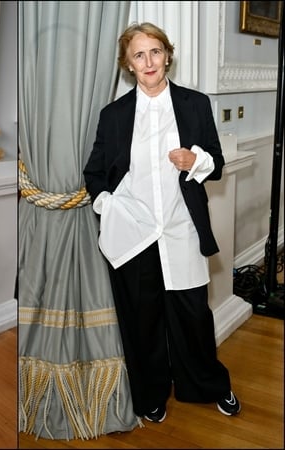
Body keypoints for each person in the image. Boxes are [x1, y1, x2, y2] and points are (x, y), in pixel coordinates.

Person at [83, 22, 241, 424]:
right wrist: (108, 206)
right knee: (142, 320)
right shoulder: (114, 115)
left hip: (181, 227)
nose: (149, 61)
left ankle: (208, 384)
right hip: (133, 232)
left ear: (167, 55)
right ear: (129, 65)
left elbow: (217, 163)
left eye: (155, 51)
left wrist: (196, 161)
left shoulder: (194, 104)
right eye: (139, 55)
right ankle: (150, 394)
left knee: (193, 315)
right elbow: (96, 172)